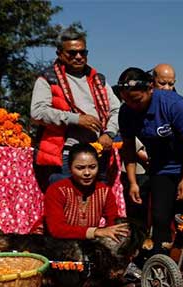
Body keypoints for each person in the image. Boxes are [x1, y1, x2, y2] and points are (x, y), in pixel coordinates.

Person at [118, 67, 183, 281]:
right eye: (127, 101)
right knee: (159, 217)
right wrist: (132, 182)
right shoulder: (127, 112)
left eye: (137, 100)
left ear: (150, 89)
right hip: (161, 166)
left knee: (182, 219)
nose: (133, 105)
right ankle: (160, 268)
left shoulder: (173, 104)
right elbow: (129, 149)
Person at [31, 26, 120, 192]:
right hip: (65, 156)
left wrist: (109, 133)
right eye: (72, 53)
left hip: (98, 154)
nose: (78, 57)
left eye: (83, 52)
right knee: (65, 204)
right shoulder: (48, 78)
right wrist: (76, 119)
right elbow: (37, 112)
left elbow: (116, 110)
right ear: (60, 54)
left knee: (96, 205)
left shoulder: (98, 79)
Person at [44, 143, 130, 287]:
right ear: (70, 168)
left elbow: (114, 222)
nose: (87, 173)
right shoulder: (56, 190)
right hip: (54, 245)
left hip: (84, 247)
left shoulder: (104, 191)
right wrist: (96, 232)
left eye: (92, 167)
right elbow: (56, 229)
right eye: (80, 168)